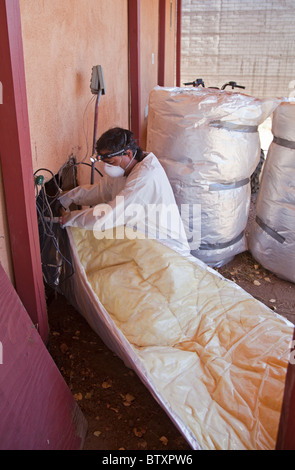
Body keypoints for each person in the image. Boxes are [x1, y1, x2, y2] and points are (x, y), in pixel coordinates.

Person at [59, 127, 190, 255]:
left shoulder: (144, 178)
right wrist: (67, 197)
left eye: (110, 162)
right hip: (144, 243)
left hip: (168, 251)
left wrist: (68, 219)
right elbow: (101, 190)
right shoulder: (124, 167)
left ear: (128, 153)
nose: (108, 167)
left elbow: (111, 214)